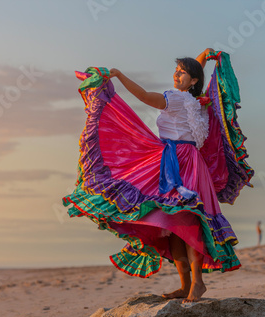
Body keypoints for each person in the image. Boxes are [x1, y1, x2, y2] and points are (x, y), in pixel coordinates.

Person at [63, 48, 253, 303]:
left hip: (185, 163)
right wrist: (201, 58)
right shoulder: (189, 99)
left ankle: (197, 283)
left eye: (181, 73)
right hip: (174, 161)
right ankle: (186, 285)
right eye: (175, 71)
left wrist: (119, 74)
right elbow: (191, 75)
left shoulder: (182, 100)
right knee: (171, 225)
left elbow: (142, 95)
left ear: (193, 80)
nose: (177, 76)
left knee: (188, 221)